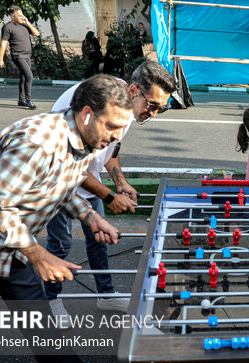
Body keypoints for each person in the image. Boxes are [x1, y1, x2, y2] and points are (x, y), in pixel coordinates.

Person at [0, 74, 134, 363]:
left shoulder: (82, 139)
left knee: (34, 309)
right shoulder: (37, 143)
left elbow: (63, 184)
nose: (116, 137)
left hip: (11, 236)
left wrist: (91, 218)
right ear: (88, 114)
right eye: (113, 125)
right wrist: (38, 254)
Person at [46, 61, 176, 326]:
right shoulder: (96, 103)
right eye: (152, 106)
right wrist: (108, 196)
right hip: (56, 180)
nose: (153, 114)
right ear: (134, 90)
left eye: (160, 110)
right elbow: (70, 168)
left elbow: (111, 152)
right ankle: (49, 298)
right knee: (61, 243)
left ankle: (105, 295)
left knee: (100, 237)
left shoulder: (126, 106)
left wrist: (121, 183)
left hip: (83, 178)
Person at [0, 5, 40, 110]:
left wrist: (28, 23)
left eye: (22, 15)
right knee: (29, 76)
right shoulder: (8, 27)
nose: (22, 17)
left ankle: (21, 100)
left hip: (27, 55)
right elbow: (3, 44)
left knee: (24, 78)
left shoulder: (24, 25)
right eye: (19, 15)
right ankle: (29, 100)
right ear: (13, 16)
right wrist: (0, 59)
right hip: (18, 55)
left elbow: (36, 33)